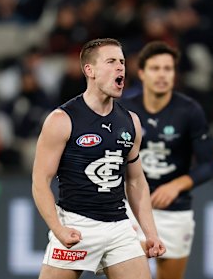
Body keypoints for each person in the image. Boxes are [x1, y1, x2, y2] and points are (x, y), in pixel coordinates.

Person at [32, 38, 165, 279]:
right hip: (77, 225)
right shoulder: (62, 120)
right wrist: (58, 229)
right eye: (111, 61)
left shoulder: (131, 121)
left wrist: (150, 233)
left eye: (122, 62)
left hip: (119, 227)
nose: (120, 68)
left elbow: (135, 182)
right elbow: (40, 181)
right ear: (89, 70)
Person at [120, 41, 213, 279]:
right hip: (130, 208)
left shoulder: (190, 111)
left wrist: (176, 185)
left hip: (174, 211)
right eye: (155, 68)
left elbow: (209, 164)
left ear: (175, 74)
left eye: (168, 68)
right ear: (141, 73)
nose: (162, 74)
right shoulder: (123, 110)